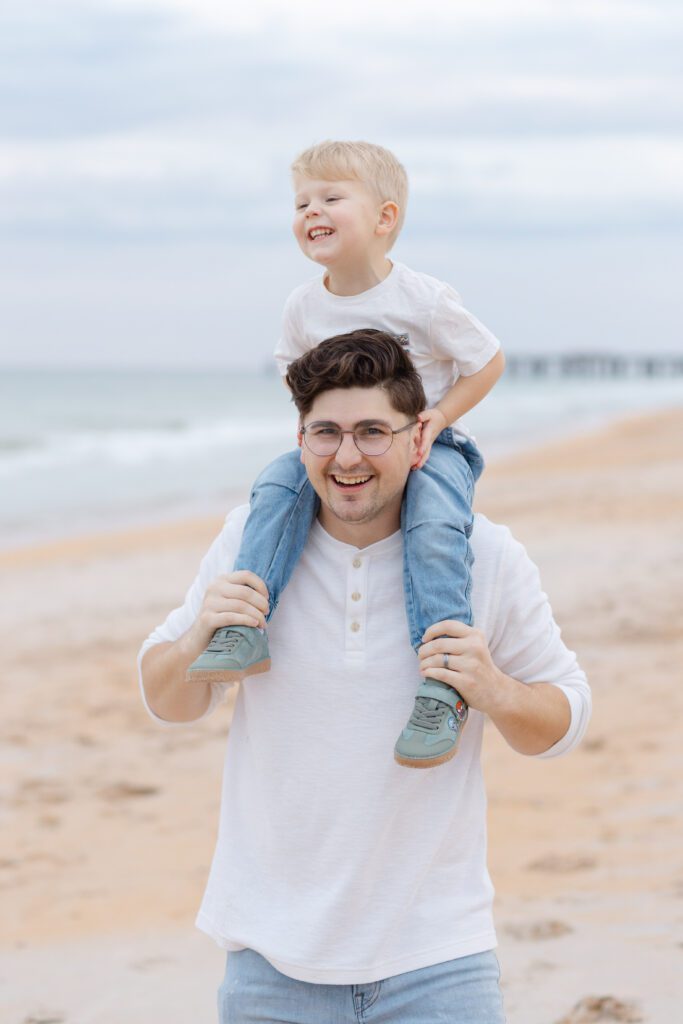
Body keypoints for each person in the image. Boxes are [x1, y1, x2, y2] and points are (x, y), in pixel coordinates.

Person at [138, 331, 591, 1024]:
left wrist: (493, 689)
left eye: (372, 432)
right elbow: (166, 700)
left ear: (419, 441)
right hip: (269, 960)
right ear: (299, 440)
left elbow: (565, 722)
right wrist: (200, 630)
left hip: (438, 960)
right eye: (326, 432)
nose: (347, 457)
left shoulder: (486, 554)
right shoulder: (246, 543)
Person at [187, 140, 506, 768]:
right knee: (274, 491)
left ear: (384, 219)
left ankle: (442, 685)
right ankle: (245, 627)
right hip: (336, 445)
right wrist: (312, 434)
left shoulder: (423, 299)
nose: (312, 210)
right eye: (302, 201)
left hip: (426, 445)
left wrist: (436, 419)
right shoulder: (304, 306)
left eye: (331, 197)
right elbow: (293, 376)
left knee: (437, 529)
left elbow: (487, 360)